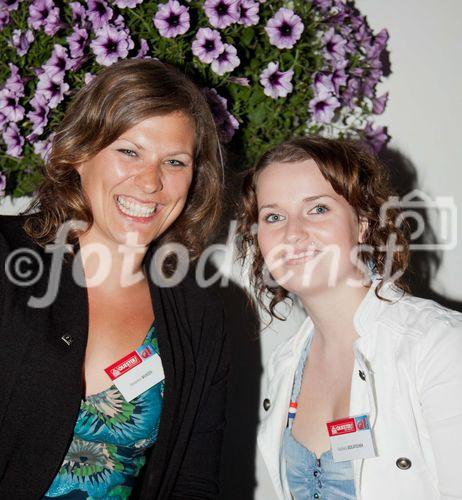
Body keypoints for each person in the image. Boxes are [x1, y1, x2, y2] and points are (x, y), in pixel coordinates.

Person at [0, 58, 228, 499]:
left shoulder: (199, 315)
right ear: (80, 154)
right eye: (129, 151)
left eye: (175, 162)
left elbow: (193, 481)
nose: (151, 182)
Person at [237, 136, 462, 499]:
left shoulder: (439, 347)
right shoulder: (285, 366)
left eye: (318, 209)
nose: (292, 233)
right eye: (274, 216)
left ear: (362, 223)